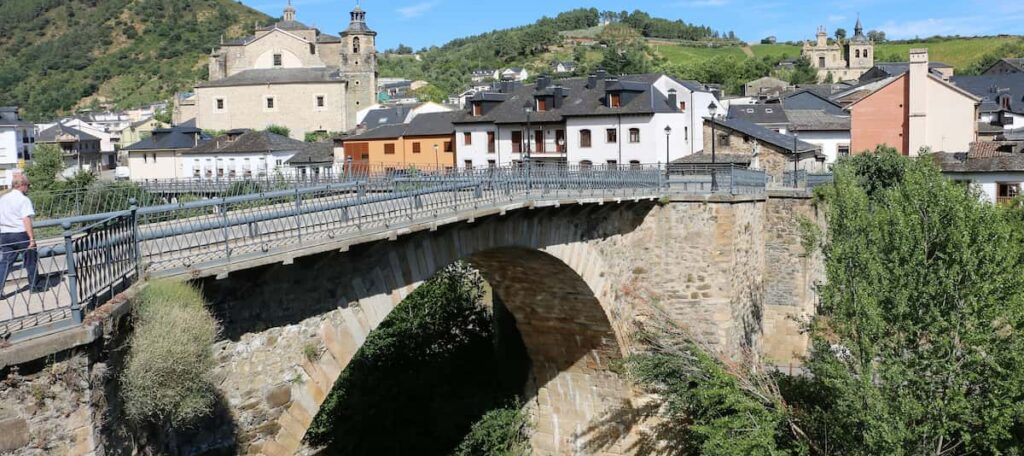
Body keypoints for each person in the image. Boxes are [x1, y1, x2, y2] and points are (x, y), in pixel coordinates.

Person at [0, 174, 39, 293]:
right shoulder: (24, 199)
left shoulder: (3, 198)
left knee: (5, 263)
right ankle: (34, 286)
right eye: (28, 185)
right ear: (22, 185)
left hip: (5, 234)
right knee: (30, 259)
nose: (28, 188)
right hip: (20, 233)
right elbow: (26, 219)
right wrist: (32, 238)